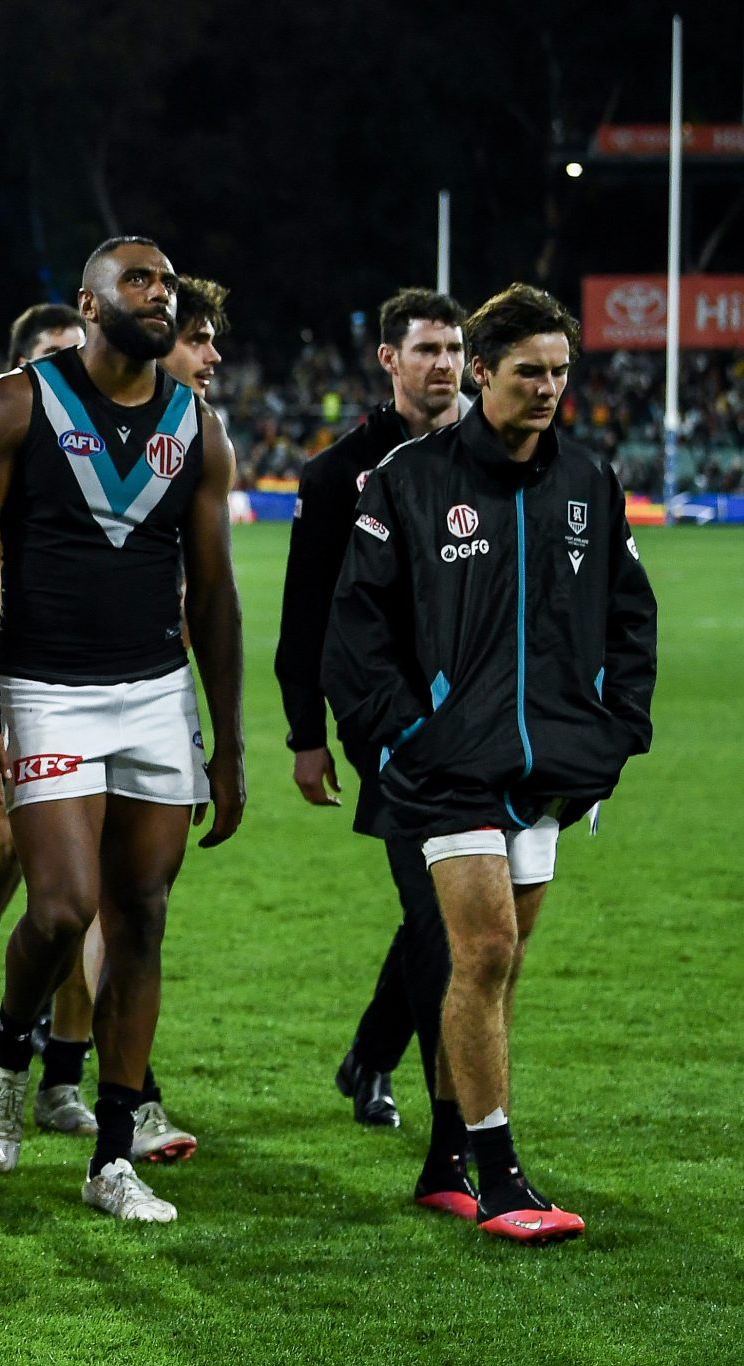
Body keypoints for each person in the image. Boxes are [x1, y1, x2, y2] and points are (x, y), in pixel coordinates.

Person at [322, 283, 654, 1243]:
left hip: (547, 769)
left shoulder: (589, 481)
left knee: (497, 978)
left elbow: (631, 620)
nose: (549, 389)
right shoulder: (408, 479)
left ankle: (442, 1158)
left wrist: (613, 732)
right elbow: (358, 633)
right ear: (482, 371)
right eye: (528, 372)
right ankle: (503, 1178)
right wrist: (403, 737)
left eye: (561, 372)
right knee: (484, 952)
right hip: (446, 770)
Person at [0, 236, 246, 1224]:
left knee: (140, 919)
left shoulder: (197, 425)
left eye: (166, 284)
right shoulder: (19, 401)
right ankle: (9, 1046)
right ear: (89, 301)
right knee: (62, 908)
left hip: (155, 694)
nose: (159, 296)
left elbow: (218, 594)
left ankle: (112, 1155)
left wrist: (227, 744)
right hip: (44, 688)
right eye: (138, 282)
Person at [279, 289, 466, 1129]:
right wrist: (306, 736)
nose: (444, 365)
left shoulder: (491, 456)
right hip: (383, 722)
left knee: (443, 907)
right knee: (440, 910)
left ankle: (369, 1059)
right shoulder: (335, 474)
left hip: (478, 715)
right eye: (427, 349)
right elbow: (305, 616)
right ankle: (456, 1121)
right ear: (389, 359)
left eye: (455, 349)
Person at [0, 304, 87, 1121]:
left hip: (92, 681)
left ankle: (57, 1045)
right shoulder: (17, 432)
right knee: (17, 844)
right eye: (53, 354)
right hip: (15, 675)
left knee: (70, 868)